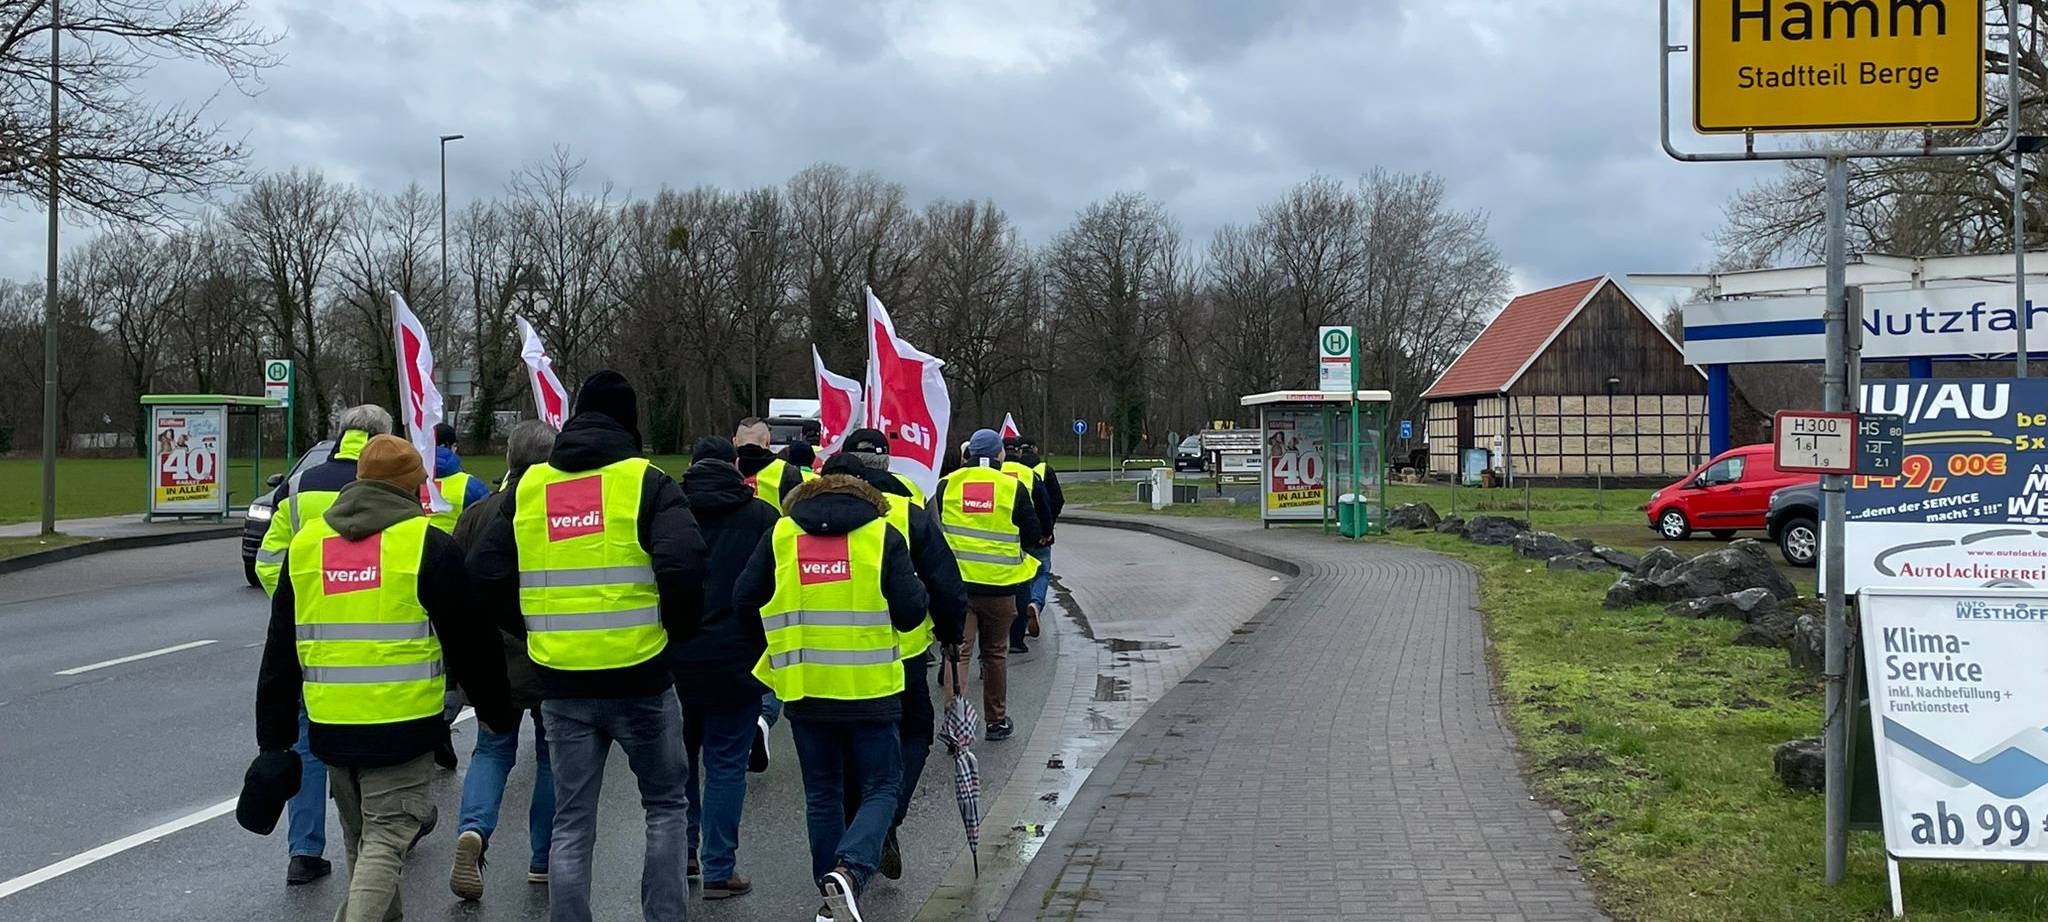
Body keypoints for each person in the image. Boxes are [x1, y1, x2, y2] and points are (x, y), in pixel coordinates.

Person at [470, 370, 708, 922]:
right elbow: (685, 565)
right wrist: (675, 631)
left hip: (562, 678)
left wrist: (533, 627)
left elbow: (483, 573)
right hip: (642, 674)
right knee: (666, 807)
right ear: (630, 422)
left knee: (572, 820)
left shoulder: (531, 487)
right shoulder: (646, 482)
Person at [253, 434, 515, 922]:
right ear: (415, 489)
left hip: (331, 727)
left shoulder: (307, 545)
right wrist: (496, 710)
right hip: (403, 724)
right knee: (388, 839)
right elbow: (472, 642)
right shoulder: (425, 545)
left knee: (363, 840)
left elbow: (279, 653)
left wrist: (275, 738)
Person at [733, 472, 928, 922]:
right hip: (871, 687)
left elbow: (743, 599)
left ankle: (831, 892)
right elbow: (912, 610)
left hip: (805, 688)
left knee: (822, 793)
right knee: (882, 786)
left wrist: (771, 647)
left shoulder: (781, 534)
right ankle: (852, 872)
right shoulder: (882, 536)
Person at [255, 404, 393, 886]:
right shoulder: (387, 481)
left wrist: (300, 607)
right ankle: (387, 835)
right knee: (386, 737)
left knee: (307, 740)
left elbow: (270, 560)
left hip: (308, 635)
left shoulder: (299, 485)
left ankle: (305, 851)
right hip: (378, 636)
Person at [821, 428, 968, 881]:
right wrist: (950, 636)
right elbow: (945, 583)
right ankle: (883, 820)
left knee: (844, 755)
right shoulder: (909, 512)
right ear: (890, 466)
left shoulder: (808, 514)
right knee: (915, 733)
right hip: (900, 655)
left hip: (822, 659)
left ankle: (857, 836)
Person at [447, 421, 558, 901]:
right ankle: (543, 859)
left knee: (491, 750)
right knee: (554, 759)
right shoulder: (553, 511)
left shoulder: (475, 513)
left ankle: (473, 830)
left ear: (509, 459)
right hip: (545, 651)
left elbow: (454, 584)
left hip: (489, 655)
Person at [673, 435, 781, 900]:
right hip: (738, 658)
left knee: (680, 766)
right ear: (735, 465)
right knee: (725, 766)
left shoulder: (668, 513)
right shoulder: (762, 518)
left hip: (675, 657)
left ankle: (685, 852)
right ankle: (719, 866)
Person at [937, 429, 1041, 741]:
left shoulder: (946, 486)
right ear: (1000, 456)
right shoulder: (1013, 487)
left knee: (958, 654)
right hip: (1000, 588)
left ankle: (956, 726)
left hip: (958, 589)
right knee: (995, 654)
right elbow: (1033, 533)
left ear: (967, 455)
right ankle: (996, 721)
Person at [1000, 436, 1055, 653]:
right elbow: (1046, 505)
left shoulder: (995, 475)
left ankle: (1008, 626)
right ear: (1020, 453)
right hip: (1032, 536)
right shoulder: (1031, 474)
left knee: (1011, 583)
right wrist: (1046, 533)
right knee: (1039, 573)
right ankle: (1034, 604)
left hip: (1005, 538)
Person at [735, 417, 815, 511]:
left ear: (734, 441)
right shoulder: (787, 471)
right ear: (767, 441)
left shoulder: (721, 469)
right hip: (776, 525)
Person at [427, 422, 491, 533]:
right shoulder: (472, 486)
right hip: (456, 547)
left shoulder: (409, 481)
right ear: (449, 446)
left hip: (416, 547)